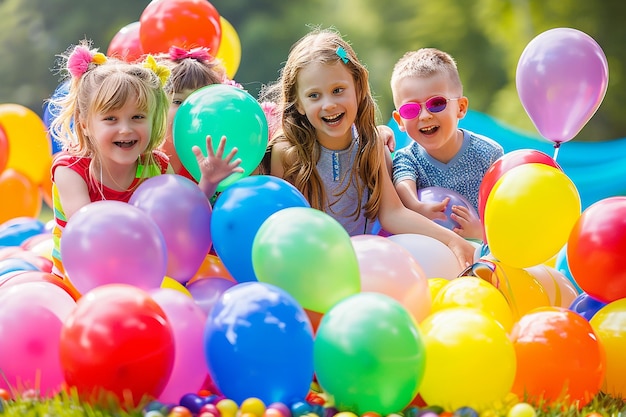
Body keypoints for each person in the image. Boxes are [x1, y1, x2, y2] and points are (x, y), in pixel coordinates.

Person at [265, 28, 475, 268]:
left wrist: (452, 240)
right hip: (310, 267)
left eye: (338, 90)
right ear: (299, 104)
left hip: (364, 265)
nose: (329, 104)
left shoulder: (370, 145)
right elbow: (279, 228)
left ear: (358, 87)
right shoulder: (287, 153)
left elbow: (392, 214)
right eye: (314, 95)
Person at [48, 40, 242, 279]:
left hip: (140, 275)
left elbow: (179, 215)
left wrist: (208, 183)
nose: (125, 129)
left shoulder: (156, 166)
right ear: (85, 124)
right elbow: (89, 231)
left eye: (137, 117)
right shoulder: (71, 170)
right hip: (79, 279)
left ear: (153, 119)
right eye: (111, 119)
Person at [390, 48, 504, 240]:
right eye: (411, 109)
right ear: (400, 120)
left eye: (436, 103)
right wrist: (416, 207)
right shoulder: (408, 158)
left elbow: (505, 210)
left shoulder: (488, 153)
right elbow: (403, 182)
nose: (425, 116)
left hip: (483, 252)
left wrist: (481, 231)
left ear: (460, 107)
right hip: (434, 254)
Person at [158, 45, 244, 182]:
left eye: (201, 103)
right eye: (178, 102)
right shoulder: (146, 160)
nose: (190, 111)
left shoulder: (217, 158)